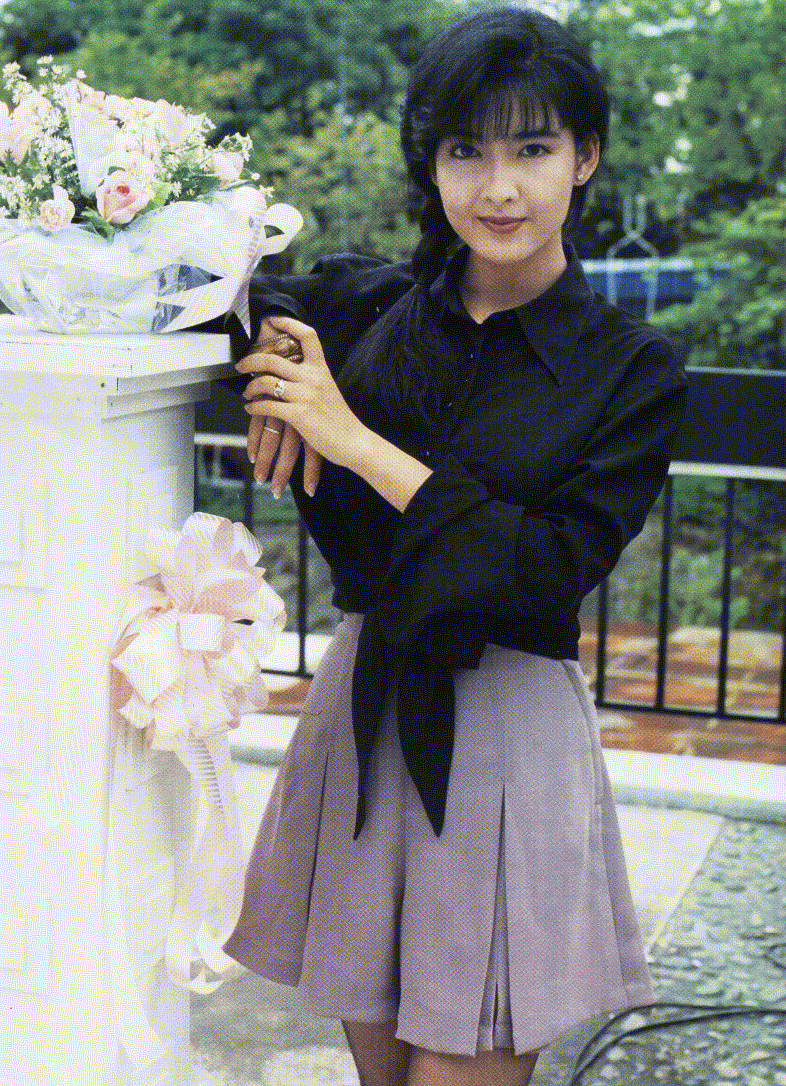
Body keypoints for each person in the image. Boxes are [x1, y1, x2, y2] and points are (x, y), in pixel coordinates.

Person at [214, 6, 688, 1085]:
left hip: (510, 734)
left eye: (533, 149)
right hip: (365, 711)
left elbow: (548, 569)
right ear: (430, 165)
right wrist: (274, 338)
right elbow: (214, 298)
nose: (498, 187)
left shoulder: (629, 366)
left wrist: (350, 436)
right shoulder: (370, 310)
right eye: (465, 150)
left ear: (585, 158)